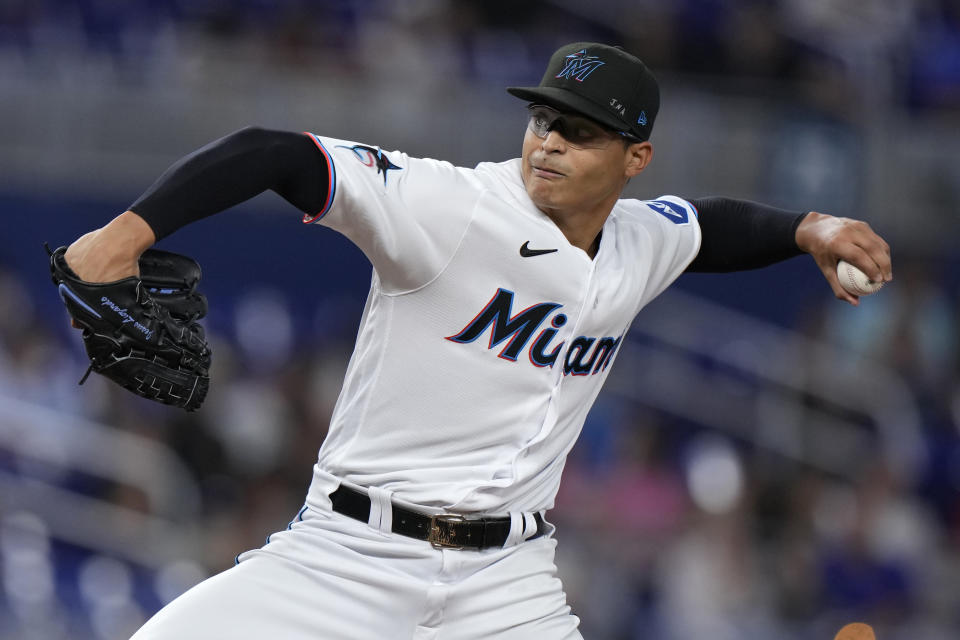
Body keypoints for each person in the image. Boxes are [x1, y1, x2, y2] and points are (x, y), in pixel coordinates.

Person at [63, 43, 891, 639]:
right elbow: (271, 154)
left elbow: (710, 227)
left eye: (582, 129)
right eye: (544, 118)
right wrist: (123, 235)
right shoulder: (451, 208)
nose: (551, 141)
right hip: (349, 558)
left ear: (636, 157)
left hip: (508, 586)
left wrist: (810, 227)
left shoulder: (642, 238)